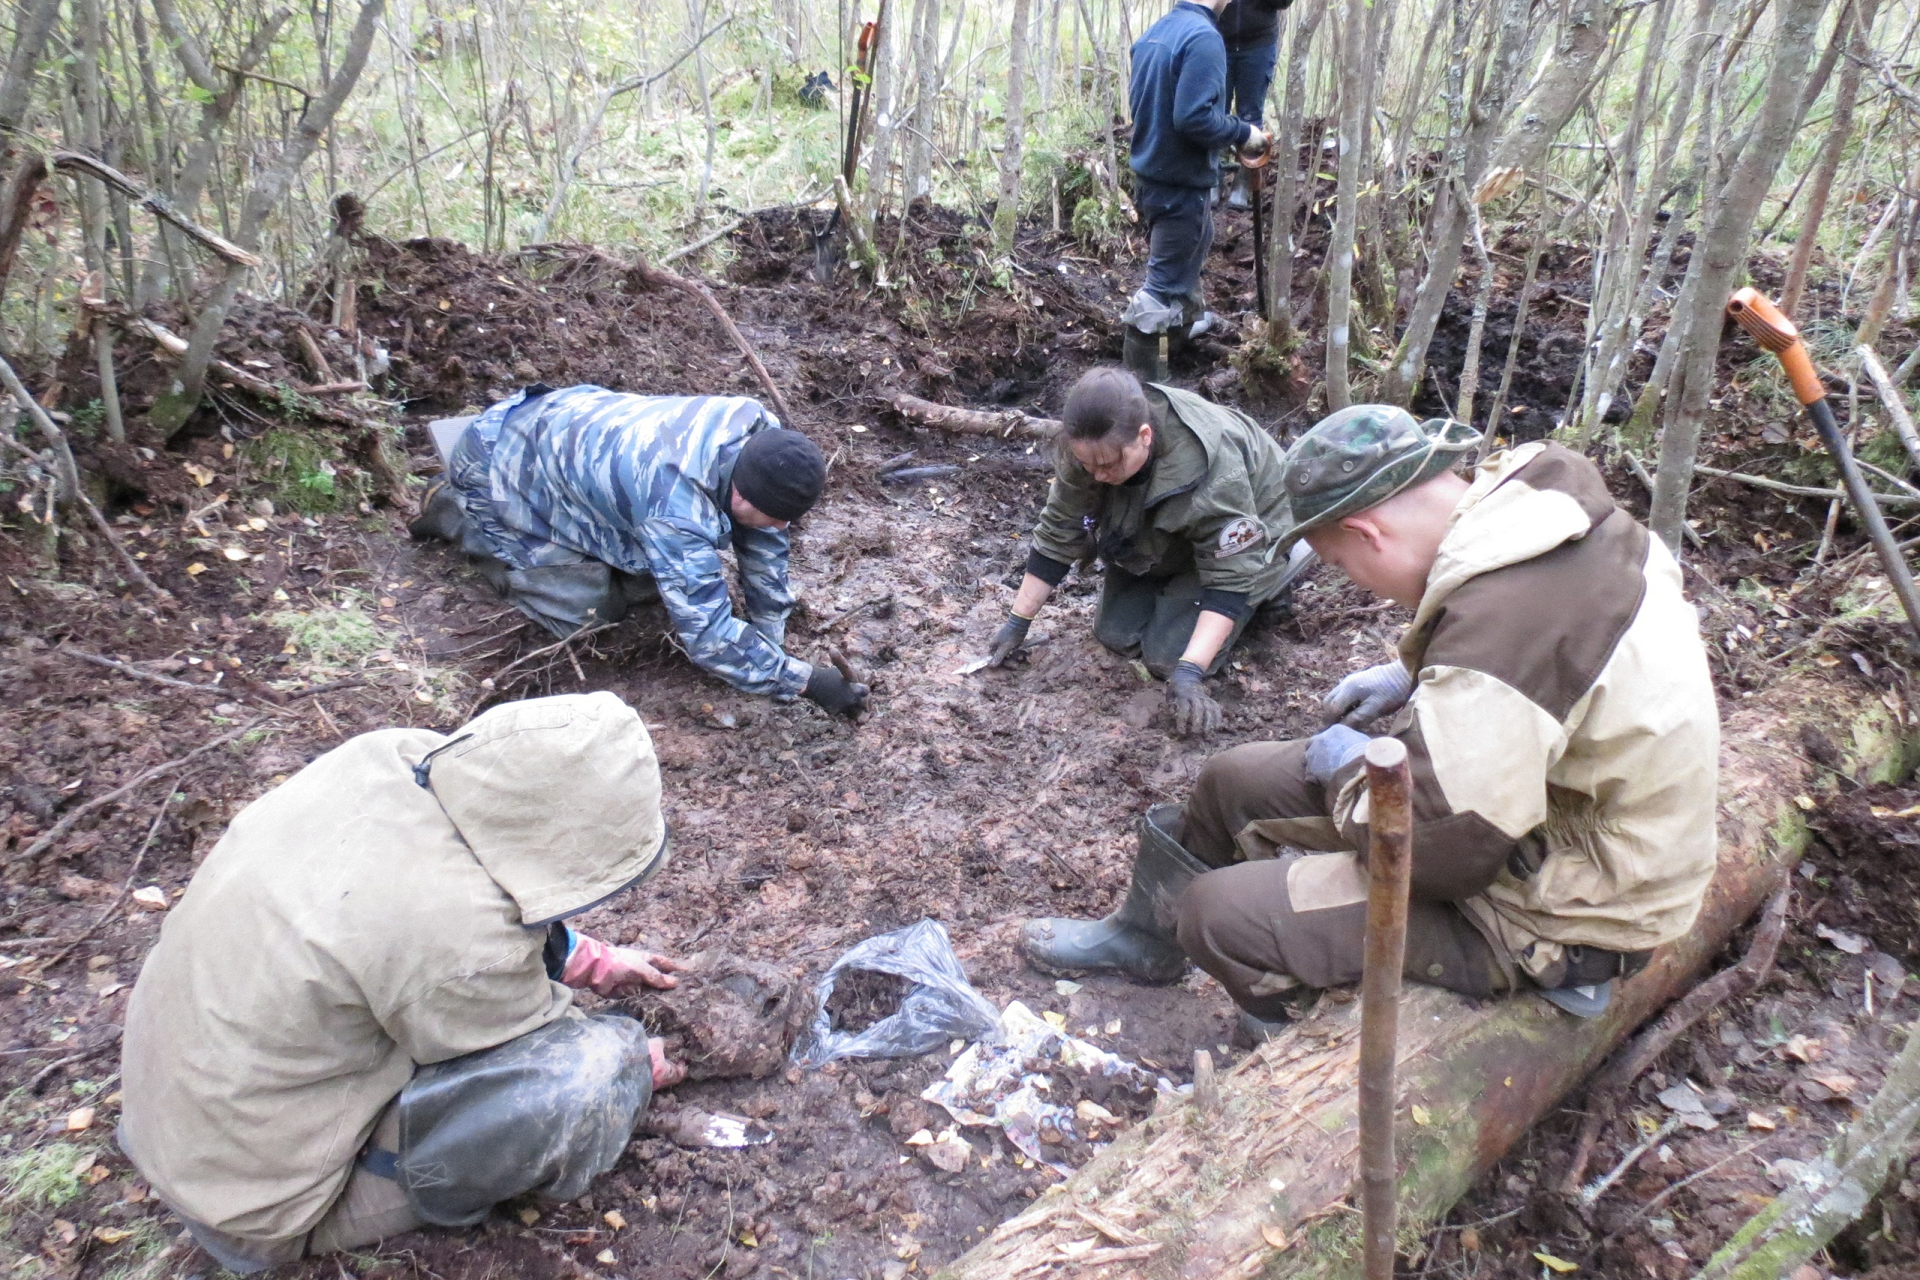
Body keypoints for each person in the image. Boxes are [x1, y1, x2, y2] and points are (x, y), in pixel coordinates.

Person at [1022, 408, 1720, 1033]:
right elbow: (1560, 667)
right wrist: (1411, 673)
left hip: (1568, 905)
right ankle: (1145, 940)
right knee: (1232, 780)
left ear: (1367, 532)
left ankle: (1291, 1041)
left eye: (1338, 561)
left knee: (1220, 915)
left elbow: (1443, 852)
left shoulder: (1501, 636)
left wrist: (1345, 768)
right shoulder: (1541, 509)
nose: (1352, 579)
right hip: (1547, 810)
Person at [119, 692, 690, 1272]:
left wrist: (587, 957)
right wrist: (633, 1066)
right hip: (255, 1207)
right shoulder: (455, 937)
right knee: (590, 1071)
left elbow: (456, 903)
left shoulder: (389, 758)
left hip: (174, 1117)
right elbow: (532, 1055)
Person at [410, 385, 867, 718]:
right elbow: (707, 639)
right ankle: (454, 509)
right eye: (778, 516)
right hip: (500, 462)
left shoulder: (760, 437)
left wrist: (770, 634)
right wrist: (807, 681)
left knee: (655, 578)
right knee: (589, 608)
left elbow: (763, 538)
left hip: (571, 432)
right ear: (743, 498)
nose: (784, 528)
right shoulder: (675, 508)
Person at [983, 366, 1313, 736]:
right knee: (1114, 634)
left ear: (1145, 436)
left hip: (1251, 529)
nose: (1096, 476)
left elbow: (1231, 569)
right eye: (1087, 466)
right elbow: (1060, 527)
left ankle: (1279, 569)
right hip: (1167, 522)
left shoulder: (1209, 469)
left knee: (1168, 659)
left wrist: (1190, 674)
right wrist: (1018, 622)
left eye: (1107, 465)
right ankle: (1177, 579)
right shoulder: (1091, 447)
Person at [1123, 0, 1271, 381]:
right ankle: (1147, 387)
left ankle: (1181, 330)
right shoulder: (1204, 37)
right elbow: (1193, 117)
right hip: (1178, 183)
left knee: (1199, 238)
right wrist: (1244, 131)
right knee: (1158, 289)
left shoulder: (1157, 32)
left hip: (1154, 177)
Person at [1216, 0, 1294, 209]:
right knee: (1215, 110)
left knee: (1251, 114)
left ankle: (1243, 183)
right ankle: (1214, 177)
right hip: (1217, 38)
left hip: (1259, 43)